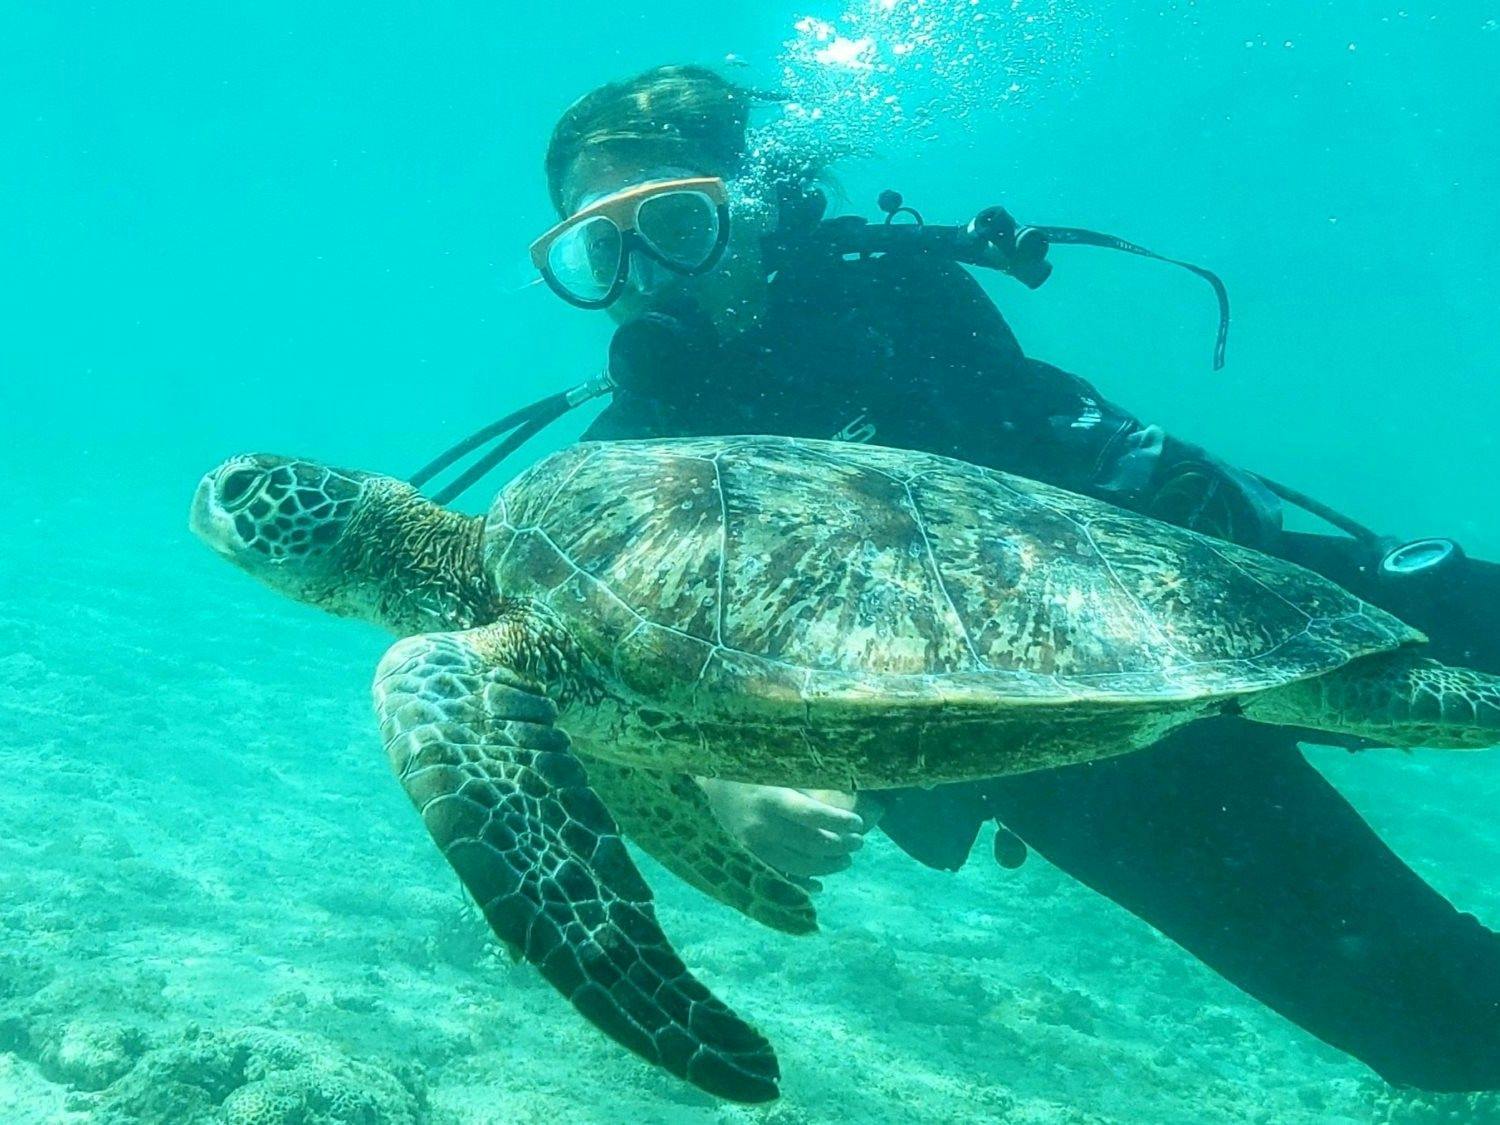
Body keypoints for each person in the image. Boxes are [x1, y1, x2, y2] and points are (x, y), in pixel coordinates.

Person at [529, 64, 1500, 1090]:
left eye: (677, 225)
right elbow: (611, 670)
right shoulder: (626, 462)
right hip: (1068, 743)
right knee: (1441, 1025)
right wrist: (730, 777)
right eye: (600, 249)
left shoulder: (888, 296)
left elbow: (1019, 486)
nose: (642, 275)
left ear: (756, 210)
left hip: (1215, 583)